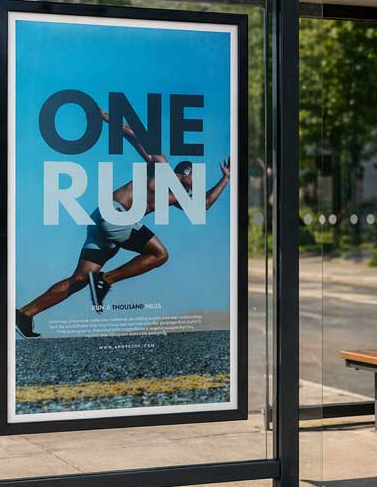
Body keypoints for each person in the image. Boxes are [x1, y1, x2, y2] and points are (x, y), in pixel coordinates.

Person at [15, 109, 230, 338]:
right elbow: (133, 134)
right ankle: (105, 279)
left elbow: (204, 204)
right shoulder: (161, 166)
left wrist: (226, 178)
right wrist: (106, 117)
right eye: (196, 176)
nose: (197, 183)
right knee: (160, 254)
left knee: (79, 279)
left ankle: (25, 313)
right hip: (115, 215)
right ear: (185, 172)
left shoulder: (177, 195)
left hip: (104, 222)